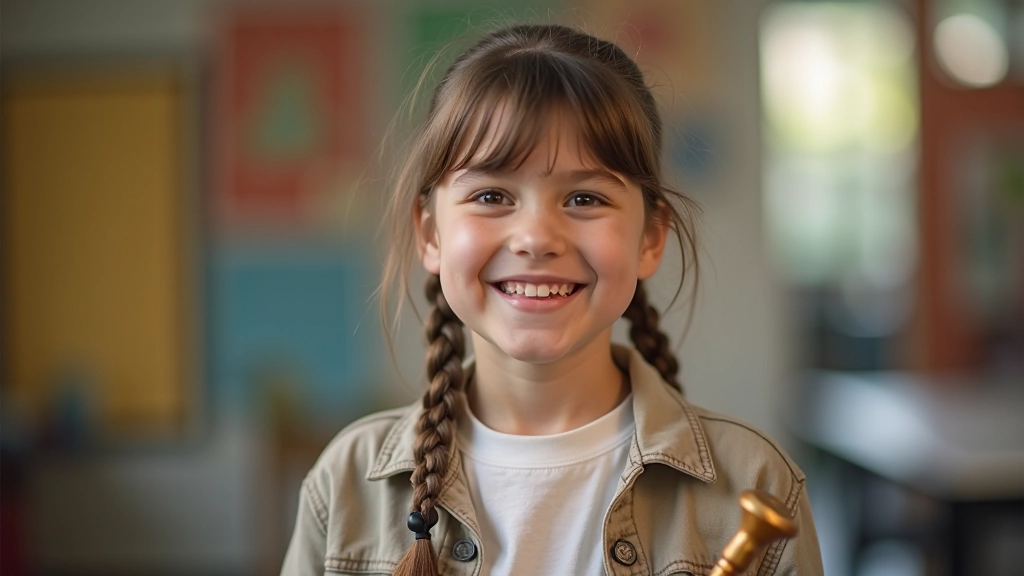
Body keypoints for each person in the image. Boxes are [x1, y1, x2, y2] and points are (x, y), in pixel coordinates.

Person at [281, 23, 823, 576]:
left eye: (585, 197)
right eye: (491, 195)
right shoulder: (344, 483)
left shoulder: (756, 483)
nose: (537, 237)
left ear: (650, 238)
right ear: (431, 234)